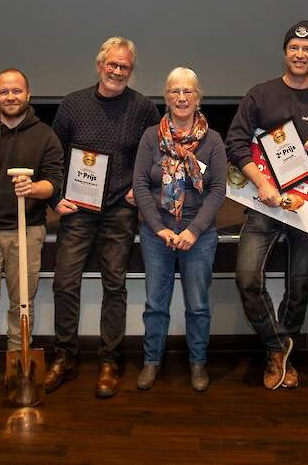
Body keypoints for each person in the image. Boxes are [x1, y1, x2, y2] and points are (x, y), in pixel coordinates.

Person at [225, 20, 308, 389]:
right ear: (285, 53)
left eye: (307, 49)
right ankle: (278, 345)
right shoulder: (260, 95)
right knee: (247, 278)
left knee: (300, 287)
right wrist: (262, 183)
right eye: (294, 49)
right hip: (263, 205)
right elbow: (235, 142)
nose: (300, 55)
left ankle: (279, 355)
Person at [46, 37, 160, 398]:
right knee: (65, 283)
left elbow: (158, 155)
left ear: (131, 70)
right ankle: (64, 357)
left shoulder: (142, 108)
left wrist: (139, 189)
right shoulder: (73, 104)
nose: (117, 71)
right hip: (78, 211)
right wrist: (58, 195)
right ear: (99, 65)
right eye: (111, 65)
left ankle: (110, 361)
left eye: (124, 67)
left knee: (115, 286)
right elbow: (53, 154)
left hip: (120, 211)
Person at [0, 68, 64, 391]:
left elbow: (54, 183)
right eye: (4, 91)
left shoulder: (45, 135)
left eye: (17, 91)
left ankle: (18, 357)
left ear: (28, 95)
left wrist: (33, 189)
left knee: (22, 302)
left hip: (26, 230)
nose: (10, 97)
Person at [132, 67, 226, 392]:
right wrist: (158, 228)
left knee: (197, 305)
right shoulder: (150, 137)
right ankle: (151, 362)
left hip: (198, 235)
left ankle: (197, 363)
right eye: (175, 91)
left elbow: (217, 191)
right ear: (166, 96)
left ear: (198, 98)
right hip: (157, 234)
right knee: (155, 305)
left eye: (188, 92)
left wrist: (195, 230)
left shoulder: (212, 141)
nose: (181, 97)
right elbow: (141, 186)